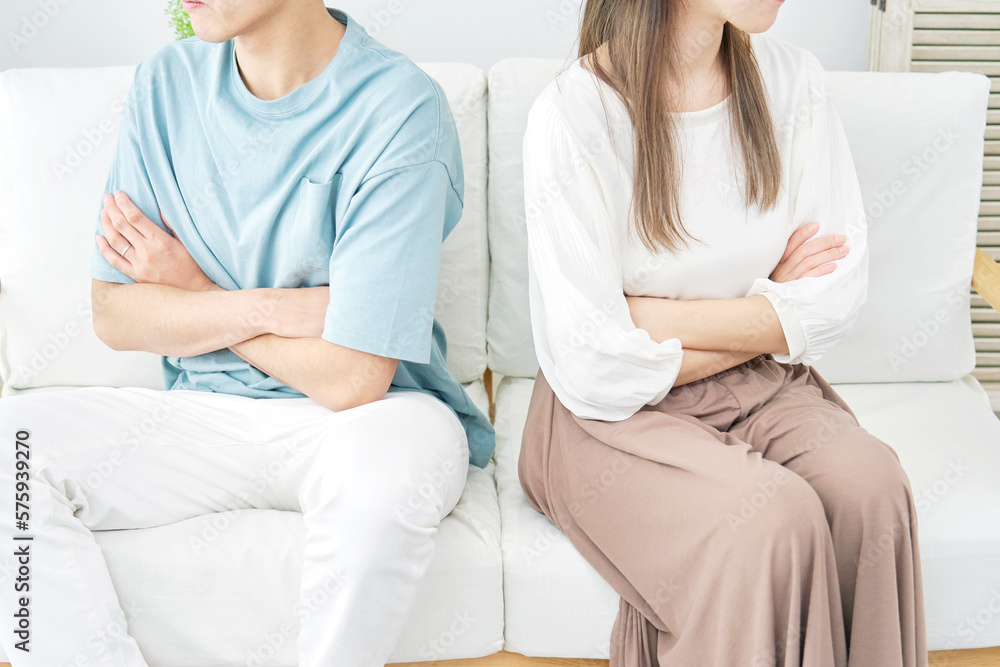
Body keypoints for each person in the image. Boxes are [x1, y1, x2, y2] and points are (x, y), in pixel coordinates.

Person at [0, 2, 494, 666]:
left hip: (371, 418)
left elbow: (353, 377)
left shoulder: (400, 106)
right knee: (11, 447)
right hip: (202, 414)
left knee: (383, 491)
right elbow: (115, 312)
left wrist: (196, 293)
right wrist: (267, 308)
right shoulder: (165, 85)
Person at [518, 1, 925, 665]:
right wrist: (769, 311)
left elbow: (835, 296)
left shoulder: (794, 81)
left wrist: (654, 318)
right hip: (613, 417)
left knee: (873, 487)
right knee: (773, 521)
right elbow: (594, 362)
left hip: (759, 386)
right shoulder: (573, 114)